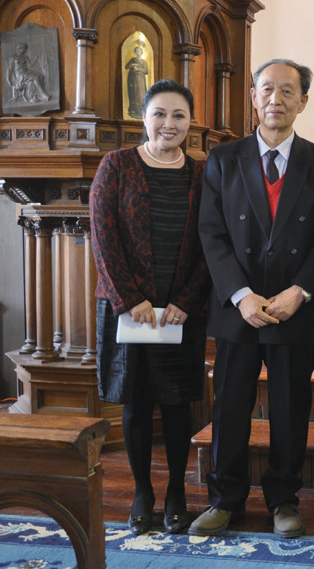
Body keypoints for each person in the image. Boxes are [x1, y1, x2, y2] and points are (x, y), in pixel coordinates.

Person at [194, 58, 314, 538]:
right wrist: (241, 296)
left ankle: (284, 500)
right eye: (267, 90)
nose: (275, 99)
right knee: (230, 407)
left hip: (293, 308)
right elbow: (212, 233)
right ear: (253, 97)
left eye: (287, 91)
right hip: (239, 308)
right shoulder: (223, 159)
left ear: (303, 101)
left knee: (289, 408)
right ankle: (225, 499)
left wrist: (300, 292)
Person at [90, 78, 210, 536]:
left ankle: (177, 492)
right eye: (159, 113)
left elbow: (211, 244)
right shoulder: (116, 165)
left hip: (180, 310)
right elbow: (103, 237)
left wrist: (185, 300)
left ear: (190, 122)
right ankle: (143, 492)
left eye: (179, 115)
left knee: (178, 403)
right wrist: (130, 300)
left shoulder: (203, 174)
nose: (168, 124)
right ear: (143, 117)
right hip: (129, 310)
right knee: (137, 403)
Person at [125, 46, 149, 119]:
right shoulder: (132, 60)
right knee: (134, 93)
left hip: (140, 80)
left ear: (141, 52)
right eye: (136, 51)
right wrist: (132, 65)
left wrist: (139, 69)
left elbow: (146, 71)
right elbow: (126, 66)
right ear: (135, 52)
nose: (138, 52)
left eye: (139, 51)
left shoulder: (143, 62)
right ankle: (134, 110)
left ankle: (141, 110)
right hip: (133, 80)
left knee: (140, 94)